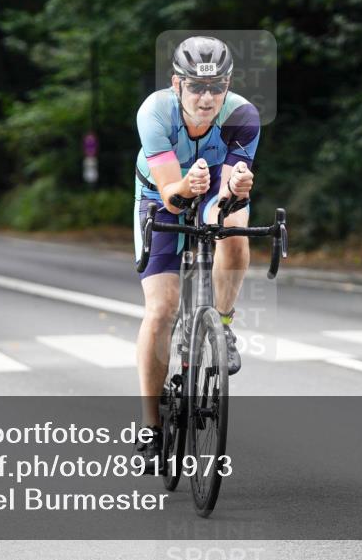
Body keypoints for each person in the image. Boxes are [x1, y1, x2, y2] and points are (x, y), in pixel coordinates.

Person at [132, 36, 260, 470]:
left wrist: (235, 188)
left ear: (228, 85)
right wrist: (188, 186)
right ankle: (150, 426)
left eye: (216, 87)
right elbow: (171, 194)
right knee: (162, 309)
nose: (206, 98)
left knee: (235, 234)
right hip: (159, 194)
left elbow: (226, 193)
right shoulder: (154, 112)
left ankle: (221, 324)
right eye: (195, 87)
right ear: (177, 84)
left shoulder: (241, 114)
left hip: (212, 191)